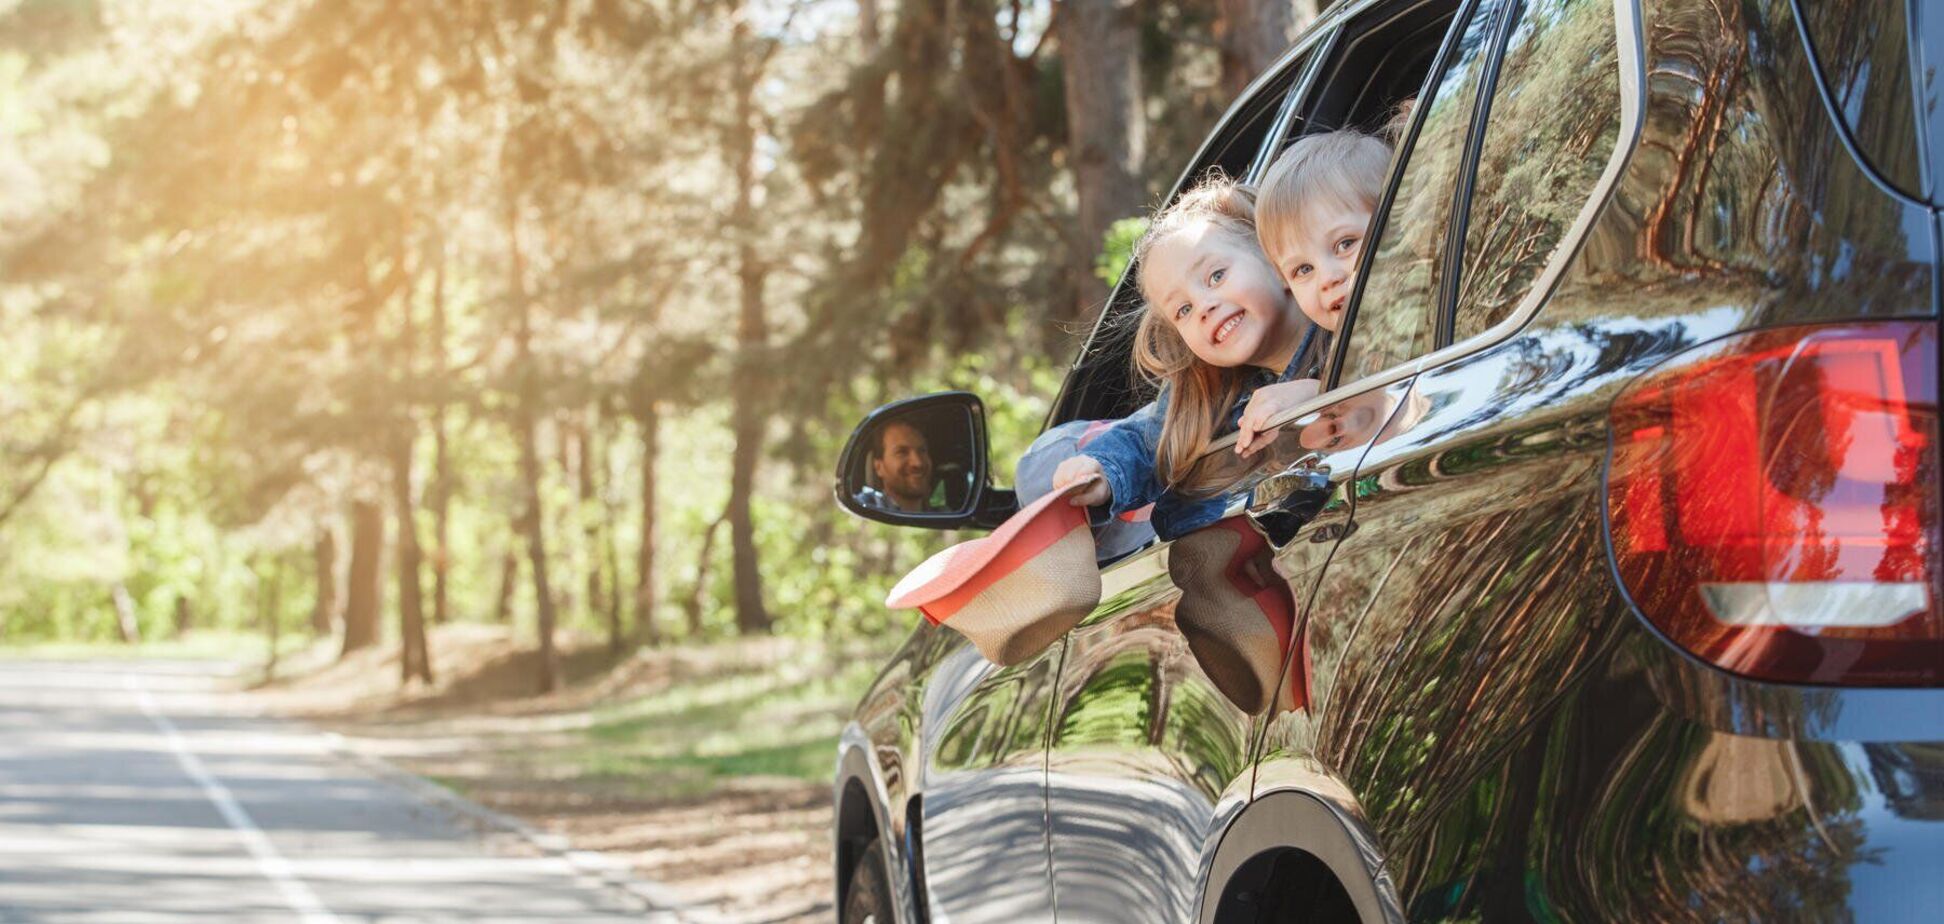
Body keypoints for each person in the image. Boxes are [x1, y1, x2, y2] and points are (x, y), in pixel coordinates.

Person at [1048, 175, 1326, 540]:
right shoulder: (1208, 397)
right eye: (1182, 310)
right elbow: (1147, 440)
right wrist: (1100, 471)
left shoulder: (1354, 324)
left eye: (1215, 276)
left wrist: (1323, 393)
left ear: (1274, 258)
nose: (1204, 308)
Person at [857, 420, 940, 513]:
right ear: (878, 467)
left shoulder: (945, 514)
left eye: (922, 451)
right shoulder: (865, 507)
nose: (918, 463)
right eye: (901, 452)